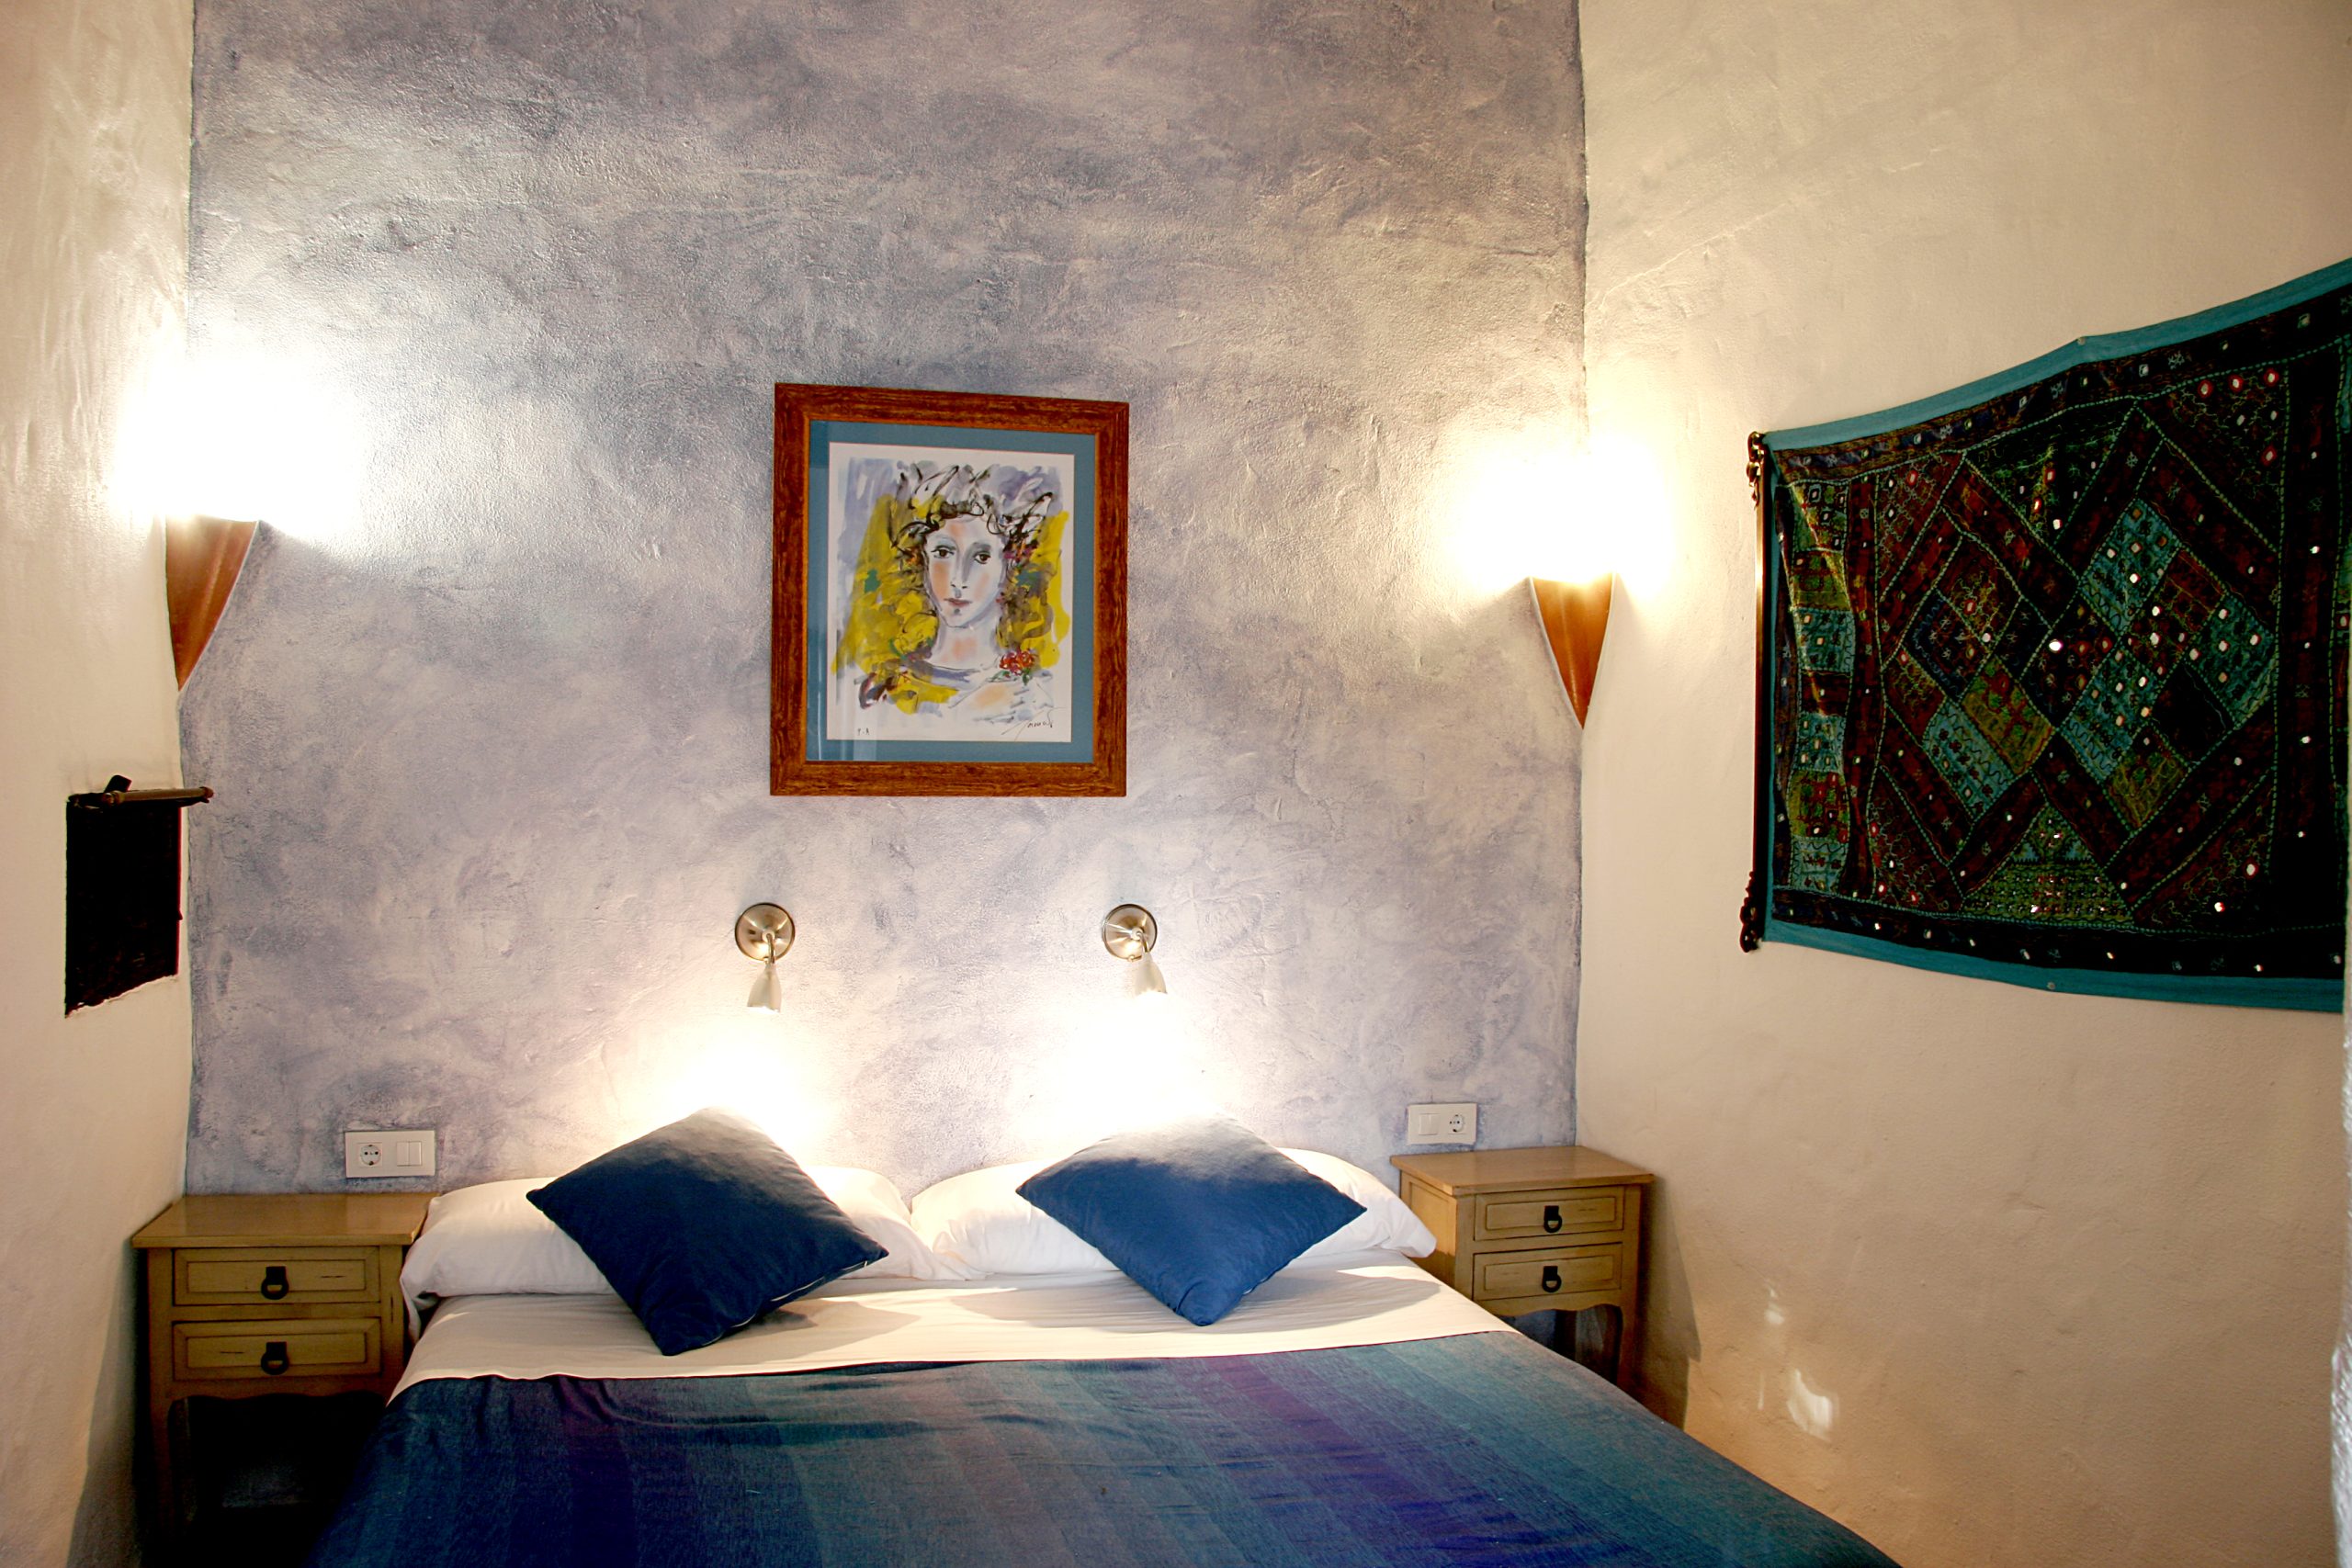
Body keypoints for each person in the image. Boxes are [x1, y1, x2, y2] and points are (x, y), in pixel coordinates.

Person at [832, 462, 1067, 737]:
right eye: (943, 553)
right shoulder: (881, 690)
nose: (958, 578)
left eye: (981, 557)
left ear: (1008, 566)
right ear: (922, 561)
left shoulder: (1035, 697)